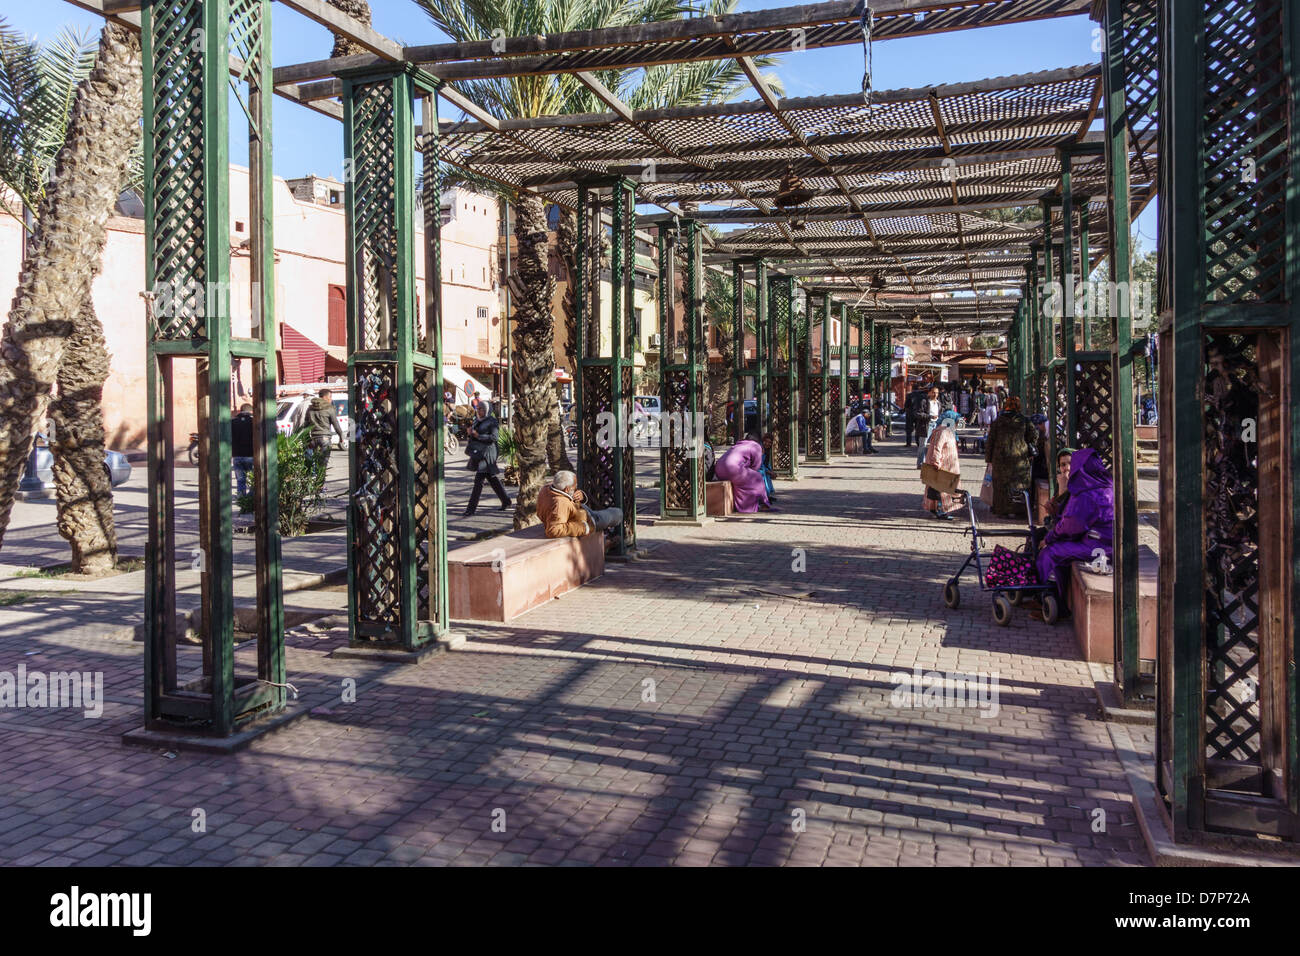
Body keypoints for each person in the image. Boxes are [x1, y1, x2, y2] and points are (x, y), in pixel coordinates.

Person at [1035, 448, 1114, 616]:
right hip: (1105, 543)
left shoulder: (1086, 494)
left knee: (1050, 553)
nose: (1068, 468)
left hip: (1096, 546)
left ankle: (1053, 599)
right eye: (1063, 464)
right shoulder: (1107, 487)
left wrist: (1049, 539)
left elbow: (1070, 526)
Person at [984, 396, 1038, 517]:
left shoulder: (998, 422)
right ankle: (1020, 510)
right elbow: (1034, 435)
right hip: (1019, 457)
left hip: (1000, 458)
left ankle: (1001, 510)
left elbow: (990, 441)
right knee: (1020, 483)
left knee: (1000, 485)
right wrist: (1027, 446)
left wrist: (989, 458)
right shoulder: (1024, 420)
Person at [537, 470, 622, 539]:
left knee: (608, 513)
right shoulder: (560, 504)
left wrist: (580, 496)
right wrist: (584, 528)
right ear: (567, 489)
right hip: (589, 522)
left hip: (582, 512)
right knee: (618, 513)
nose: (576, 488)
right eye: (574, 486)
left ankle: (607, 541)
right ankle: (611, 542)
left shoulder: (545, 489)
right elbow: (553, 531)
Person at [462, 402, 512, 516]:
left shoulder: (492, 421)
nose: (479, 411)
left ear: (487, 410)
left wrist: (477, 435)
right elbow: (474, 436)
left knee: (478, 482)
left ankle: (471, 509)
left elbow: (494, 437)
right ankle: (506, 501)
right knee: (492, 479)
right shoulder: (477, 420)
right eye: (477, 408)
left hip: (488, 454)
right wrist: (470, 433)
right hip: (479, 453)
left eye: (481, 409)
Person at [714, 435, 775, 513]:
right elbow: (756, 467)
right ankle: (764, 503)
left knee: (742, 484)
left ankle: (741, 505)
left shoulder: (738, 444)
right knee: (758, 477)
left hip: (719, 470)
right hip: (732, 470)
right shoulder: (756, 446)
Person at [921, 409, 962, 520]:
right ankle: (941, 510)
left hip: (948, 465)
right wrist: (936, 462)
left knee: (941, 489)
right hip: (942, 466)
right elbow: (937, 448)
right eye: (956, 421)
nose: (957, 423)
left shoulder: (948, 431)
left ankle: (937, 509)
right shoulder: (943, 432)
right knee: (941, 490)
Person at [300, 388, 345, 467]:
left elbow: (305, 425)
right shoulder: (329, 408)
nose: (331, 399)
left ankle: (314, 478)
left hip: (313, 438)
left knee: (312, 463)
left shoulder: (310, 408)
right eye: (330, 397)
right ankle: (321, 478)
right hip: (325, 438)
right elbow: (336, 424)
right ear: (325, 397)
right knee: (323, 465)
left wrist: (306, 438)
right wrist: (341, 436)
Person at [231, 403, 255, 497]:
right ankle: (251, 500)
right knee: (252, 480)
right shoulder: (253, 422)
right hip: (250, 455)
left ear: (240, 410)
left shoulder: (233, 422)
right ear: (250, 411)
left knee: (240, 481)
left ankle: (242, 501)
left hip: (237, 456)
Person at [916, 386, 940, 468]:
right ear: (929, 393)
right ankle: (920, 463)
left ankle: (932, 462)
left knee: (934, 445)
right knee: (923, 444)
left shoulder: (938, 403)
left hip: (936, 424)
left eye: (937, 393)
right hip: (926, 425)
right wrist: (930, 417)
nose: (935, 394)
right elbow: (918, 413)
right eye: (933, 392)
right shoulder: (924, 402)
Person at [759, 432, 778, 503]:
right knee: (763, 473)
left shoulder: (767, 451)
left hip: (762, 467)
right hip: (756, 468)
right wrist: (769, 472)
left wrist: (771, 471)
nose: (767, 444)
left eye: (770, 442)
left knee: (767, 473)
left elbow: (766, 463)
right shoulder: (760, 449)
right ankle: (764, 497)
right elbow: (759, 464)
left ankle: (767, 495)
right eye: (765, 441)